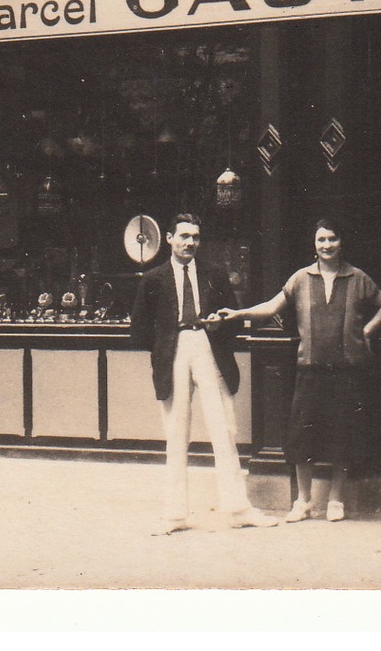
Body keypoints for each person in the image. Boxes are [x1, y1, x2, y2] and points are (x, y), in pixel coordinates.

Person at [218, 218, 381, 522]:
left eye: (332, 239)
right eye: (321, 240)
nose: (327, 245)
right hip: (309, 369)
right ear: (314, 245)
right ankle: (304, 501)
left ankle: (335, 501)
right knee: (303, 437)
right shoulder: (300, 279)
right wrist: (237, 313)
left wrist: (364, 333)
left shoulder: (357, 277)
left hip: (346, 370)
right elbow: (271, 307)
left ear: (341, 242)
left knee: (343, 435)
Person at [128, 212, 278, 534]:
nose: (190, 243)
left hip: (209, 347)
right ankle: (175, 515)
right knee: (176, 432)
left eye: (195, 237)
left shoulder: (214, 274)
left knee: (224, 428)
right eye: (183, 236)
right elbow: (138, 330)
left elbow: (232, 320)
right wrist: (166, 343)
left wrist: (219, 325)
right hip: (174, 351)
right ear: (168, 238)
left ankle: (238, 509)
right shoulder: (153, 279)